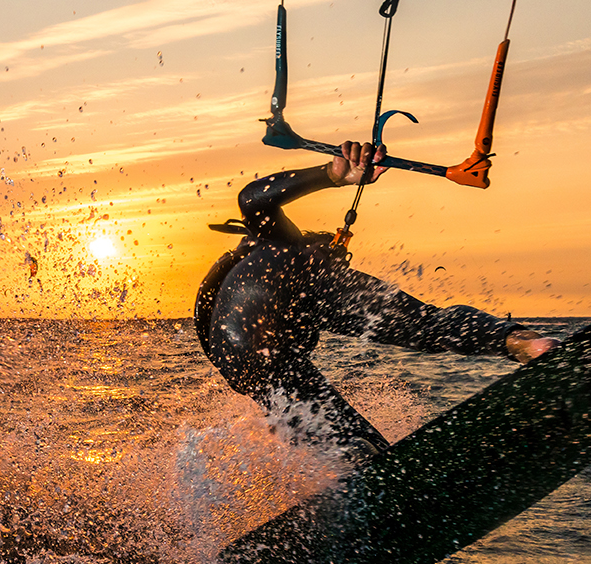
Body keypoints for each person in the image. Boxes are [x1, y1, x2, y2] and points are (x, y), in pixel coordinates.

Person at [194, 141, 561, 462]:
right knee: (429, 325)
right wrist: (330, 174)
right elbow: (251, 199)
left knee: (349, 447)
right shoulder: (275, 248)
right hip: (251, 342)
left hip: (245, 355)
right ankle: (524, 343)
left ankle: (363, 464)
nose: (337, 256)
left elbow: (252, 201)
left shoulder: (272, 268)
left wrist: (336, 174)